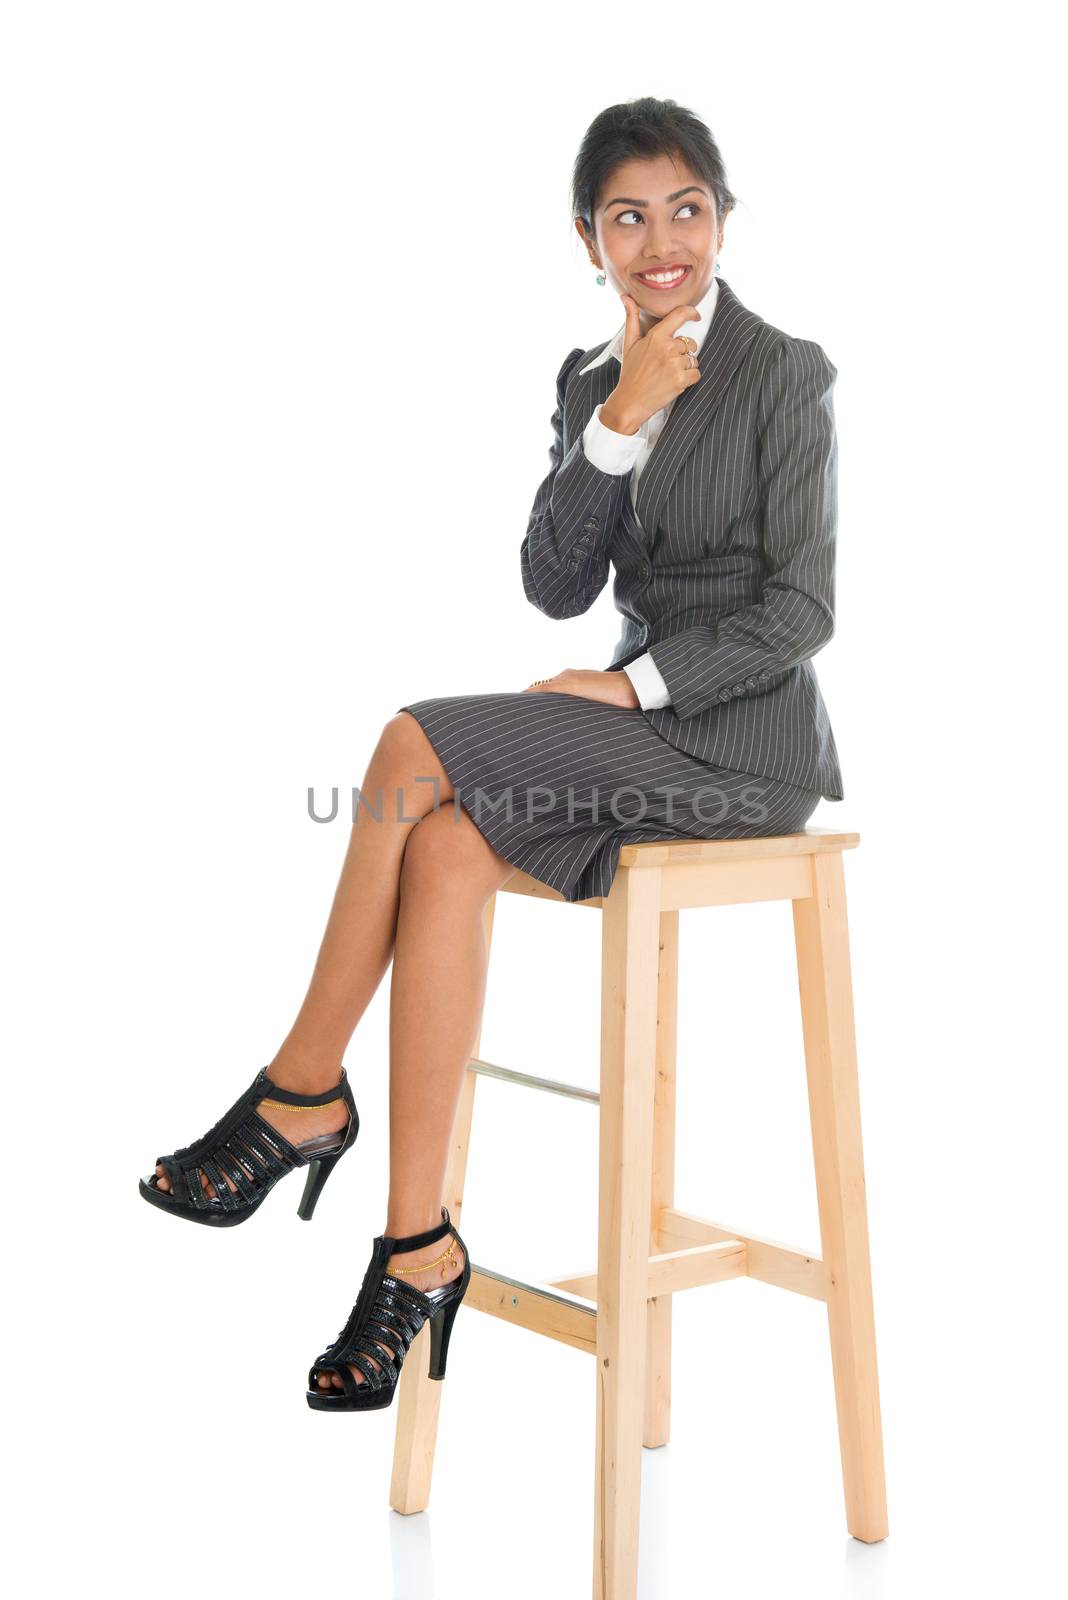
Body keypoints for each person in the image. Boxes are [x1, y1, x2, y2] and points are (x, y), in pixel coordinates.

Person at [138, 95, 843, 1413]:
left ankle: (300, 1098)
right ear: (588, 238)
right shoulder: (590, 380)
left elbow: (803, 613)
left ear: (725, 219)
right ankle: (417, 1249)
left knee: (412, 745)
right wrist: (620, 421)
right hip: (646, 738)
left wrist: (631, 690)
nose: (661, 239)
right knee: (446, 845)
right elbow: (551, 581)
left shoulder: (785, 373)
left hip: (740, 751)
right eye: (627, 216)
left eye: (685, 208)